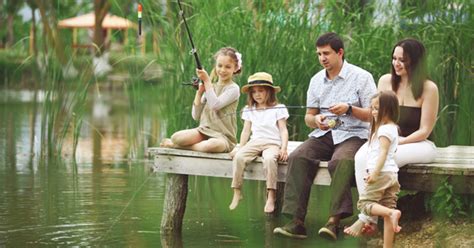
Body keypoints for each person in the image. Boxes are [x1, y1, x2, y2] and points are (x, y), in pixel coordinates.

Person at [273, 32, 376, 240]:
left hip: (354, 134)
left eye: (326, 53)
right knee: (298, 156)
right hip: (324, 133)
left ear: (340, 53)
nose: (322, 58)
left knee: (341, 161)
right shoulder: (316, 81)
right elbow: (308, 117)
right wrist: (317, 119)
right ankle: (296, 222)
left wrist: (349, 109)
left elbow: (374, 116)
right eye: (319, 54)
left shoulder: (362, 77)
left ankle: (334, 221)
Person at [352, 38, 439, 235]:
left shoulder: (429, 88)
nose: (396, 63)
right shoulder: (385, 82)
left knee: (386, 159)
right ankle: (372, 219)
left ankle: (366, 217)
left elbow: (425, 130)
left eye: (402, 60)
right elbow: (375, 117)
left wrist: (399, 141)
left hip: (419, 143)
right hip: (386, 139)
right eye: (394, 58)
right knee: (360, 158)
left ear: (415, 62)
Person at [344, 91, 402, 248]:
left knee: (364, 205)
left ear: (388, 110)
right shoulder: (392, 128)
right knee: (388, 208)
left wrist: (374, 173)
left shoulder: (383, 130)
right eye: (372, 108)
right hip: (392, 174)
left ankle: (391, 213)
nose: (373, 112)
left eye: (377, 108)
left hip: (381, 174)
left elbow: (382, 153)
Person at [160, 47, 243, 152]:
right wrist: (199, 93)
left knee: (212, 145)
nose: (222, 70)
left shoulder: (233, 89)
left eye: (228, 67)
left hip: (223, 137)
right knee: (176, 138)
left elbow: (215, 105)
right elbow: (196, 116)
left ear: (235, 68)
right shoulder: (211, 87)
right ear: (215, 66)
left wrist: (207, 81)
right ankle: (184, 144)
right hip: (204, 131)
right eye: (219, 66)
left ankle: (177, 147)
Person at [228, 72, 289, 213]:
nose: (257, 94)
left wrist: (284, 148)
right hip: (255, 142)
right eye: (254, 92)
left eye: (261, 90)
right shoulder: (250, 109)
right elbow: (245, 131)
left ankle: (271, 194)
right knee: (239, 157)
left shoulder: (279, 108)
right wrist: (240, 147)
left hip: (272, 143)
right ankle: (237, 190)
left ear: (269, 91)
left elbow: (283, 130)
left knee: (269, 159)